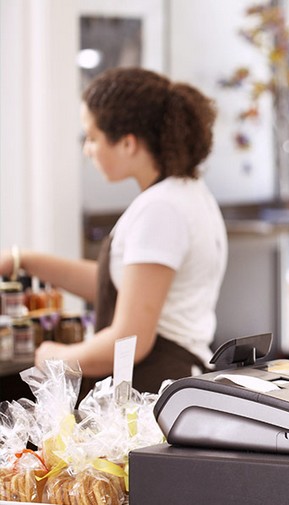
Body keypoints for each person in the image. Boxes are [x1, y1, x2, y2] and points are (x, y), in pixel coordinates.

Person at [0, 67, 227, 396]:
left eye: (92, 138)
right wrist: (25, 260)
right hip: (175, 379)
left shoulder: (160, 209)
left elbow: (131, 340)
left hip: (154, 387)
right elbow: (126, 287)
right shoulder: (187, 193)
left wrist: (58, 357)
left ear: (127, 142)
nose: (87, 150)